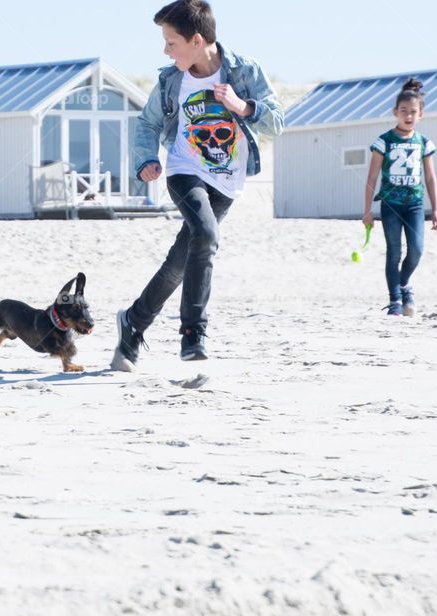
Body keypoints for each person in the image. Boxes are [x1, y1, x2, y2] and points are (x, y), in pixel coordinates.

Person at [112, 0, 283, 371]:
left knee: (179, 264)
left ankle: (133, 322)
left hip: (226, 182)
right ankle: (193, 333)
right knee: (205, 235)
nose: (165, 50)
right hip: (184, 170)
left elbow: (277, 123)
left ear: (196, 40)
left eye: (171, 42)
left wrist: (242, 106)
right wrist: (147, 159)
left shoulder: (245, 71)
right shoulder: (171, 79)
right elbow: (147, 124)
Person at [362, 78, 437, 317]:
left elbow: (430, 178)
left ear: (421, 114)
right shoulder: (384, 141)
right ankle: (395, 300)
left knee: (417, 249)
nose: (408, 116)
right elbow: (372, 177)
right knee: (394, 252)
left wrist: (436, 210)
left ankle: (404, 283)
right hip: (390, 205)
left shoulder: (423, 142)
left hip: (415, 205)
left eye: (413, 112)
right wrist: (367, 211)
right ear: (395, 112)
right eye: (403, 111)